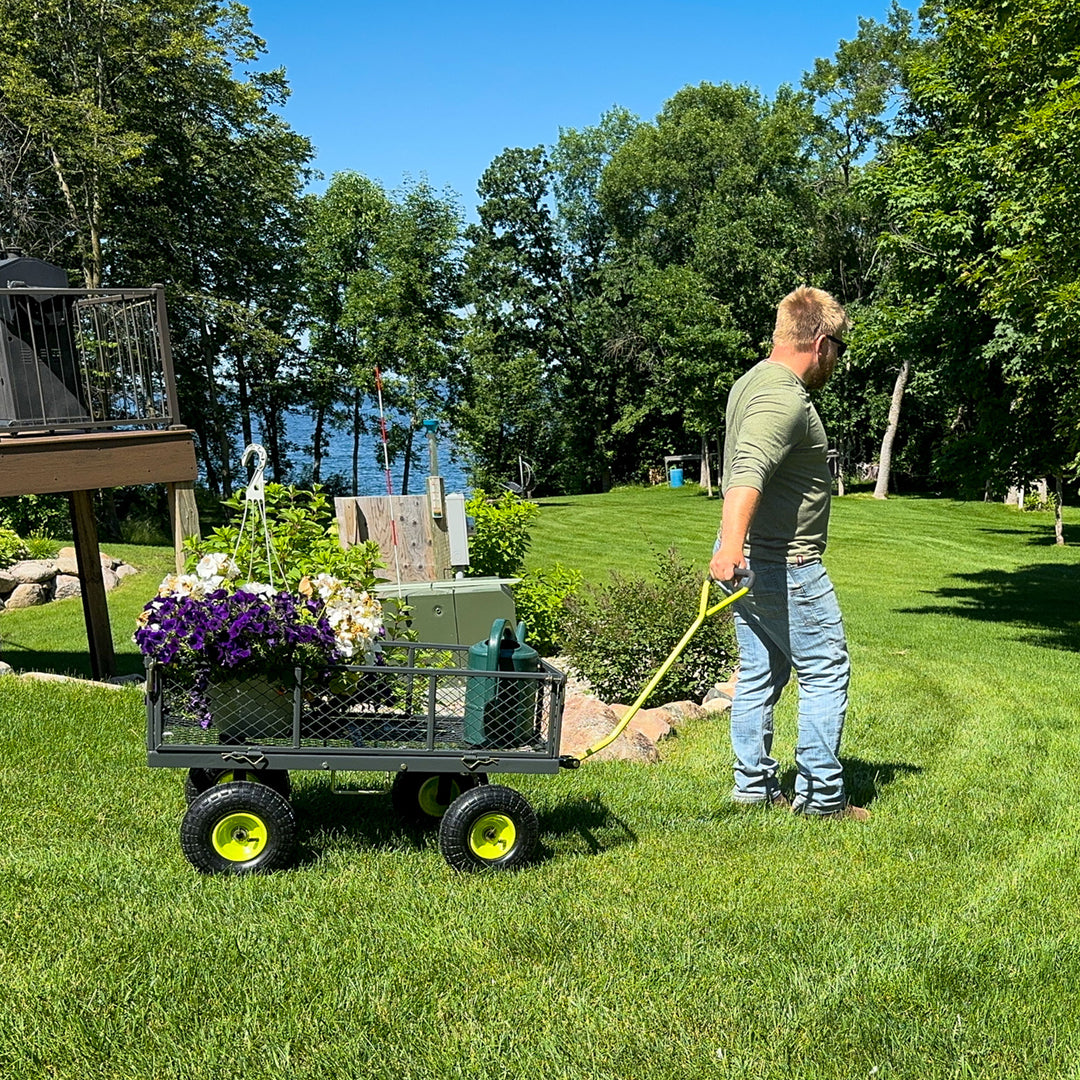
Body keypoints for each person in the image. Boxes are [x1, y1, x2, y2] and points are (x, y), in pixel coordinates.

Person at [709, 285, 869, 821]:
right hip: (784, 563)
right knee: (825, 671)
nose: (836, 361)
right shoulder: (783, 397)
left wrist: (733, 548)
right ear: (820, 343)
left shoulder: (750, 382)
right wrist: (733, 545)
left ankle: (753, 789)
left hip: (753, 559)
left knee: (761, 671)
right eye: (838, 350)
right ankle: (822, 799)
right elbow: (749, 467)